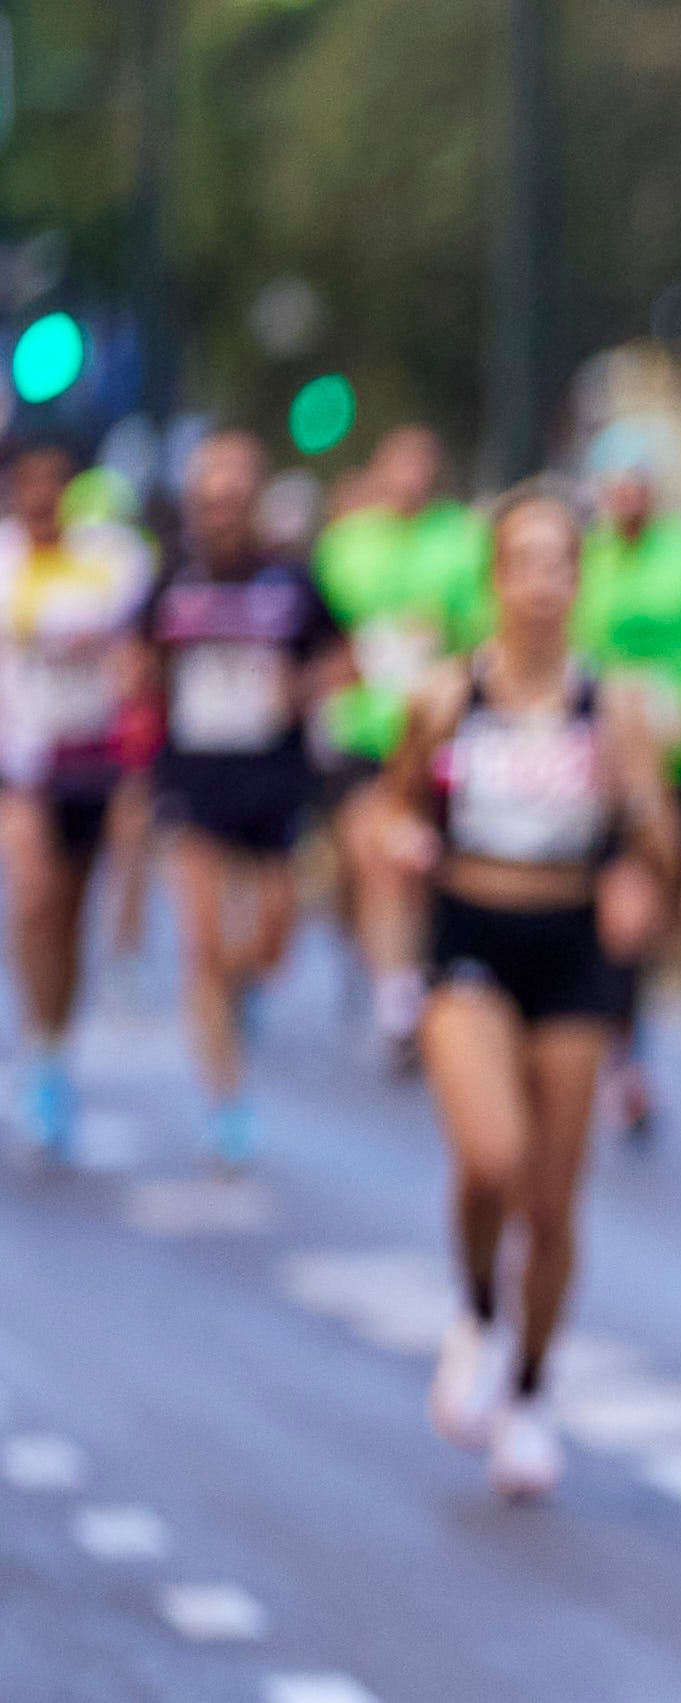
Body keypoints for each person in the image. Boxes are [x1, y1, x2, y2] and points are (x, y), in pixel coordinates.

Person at [388, 488, 681, 1497]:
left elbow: (656, 838)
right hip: (471, 933)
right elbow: (386, 811)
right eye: (524, 562)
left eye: (562, 563)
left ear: (579, 581)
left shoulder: (616, 707)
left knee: (554, 1202)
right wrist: (403, 851)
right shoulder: (442, 698)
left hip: (570, 948)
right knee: (492, 1156)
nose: (543, 583)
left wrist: (644, 867)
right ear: (495, 580)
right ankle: (475, 1310)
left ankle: (531, 1388)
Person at [134, 431, 347, 1170]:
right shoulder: (172, 580)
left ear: (254, 501)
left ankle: (245, 991)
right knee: (202, 948)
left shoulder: (292, 582)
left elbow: (340, 659)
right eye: (209, 495)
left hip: (274, 781)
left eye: (235, 494)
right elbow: (138, 664)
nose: (221, 508)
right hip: (194, 781)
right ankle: (228, 1106)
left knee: (267, 943)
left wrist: (306, 689)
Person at [571, 424, 681, 1147]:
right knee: (623, 910)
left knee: (657, 918)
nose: (627, 495)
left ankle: (620, 1026)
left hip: (678, 766)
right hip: (600, 773)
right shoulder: (586, 562)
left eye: (638, 480)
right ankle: (624, 1059)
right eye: (615, 482)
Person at [314, 426, 492, 1069]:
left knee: (428, 864)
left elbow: (480, 634)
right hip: (366, 730)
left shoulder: (462, 540)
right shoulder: (345, 545)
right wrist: (336, 668)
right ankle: (395, 995)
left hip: (441, 732)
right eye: (401, 465)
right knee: (376, 849)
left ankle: (426, 969)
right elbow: (320, 631)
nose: (412, 478)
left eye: (424, 465)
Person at [3, 429, 154, 1161]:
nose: (39, 497)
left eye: (51, 482)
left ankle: (56, 1049)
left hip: (89, 763)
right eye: (26, 482)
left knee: (68, 917)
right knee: (32, 899)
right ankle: (40, 1051)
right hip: (20, 766)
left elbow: (136, 651)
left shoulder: (110, 564)